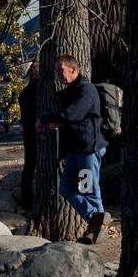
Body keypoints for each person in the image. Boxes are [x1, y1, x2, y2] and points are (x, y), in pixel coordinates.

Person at [38, 53, 110, 243]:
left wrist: (47, 119)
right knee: (66, 188)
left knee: (88, 190)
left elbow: (72, 114)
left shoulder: (86, 90)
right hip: (74, 150)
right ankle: (97, 220)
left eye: (61, 70)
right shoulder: (70, 90)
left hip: (88, 149)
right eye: (57, 71)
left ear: (74, 69)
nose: (59, 75)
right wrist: (58, 123)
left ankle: (96, 228)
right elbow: (71, 118)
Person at [18, 65, 39, 210]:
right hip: (37, 132)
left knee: (29, 167)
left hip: (28, 132)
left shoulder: (24, 93)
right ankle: (28, 200)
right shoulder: (38, 93)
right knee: (32, 167)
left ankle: (26, 200)